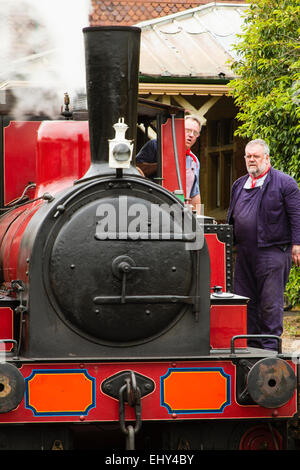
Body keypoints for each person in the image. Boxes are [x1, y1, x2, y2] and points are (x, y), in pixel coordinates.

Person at [227, 139, 300, 351]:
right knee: (245, 302)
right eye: (248, 156)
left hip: (273, 252)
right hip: (244, 253)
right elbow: (232, 217)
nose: (251, 160)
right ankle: (250, 348)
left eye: (256, 156)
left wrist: (297, 245)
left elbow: (296, 215)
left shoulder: (285, 183)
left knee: (270, 304)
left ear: (266, 158)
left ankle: (269, 352)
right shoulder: (239, 185)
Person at [136, 115, 201, 210]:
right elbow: (136, 169)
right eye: (187, 130)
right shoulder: (155, 146)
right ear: (178, 130)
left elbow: (195, 194)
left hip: (180, 212)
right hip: (152, 208)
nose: (191, 135)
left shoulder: (194, 161)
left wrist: (198, 220)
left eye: (195, 133)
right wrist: (162, 165)